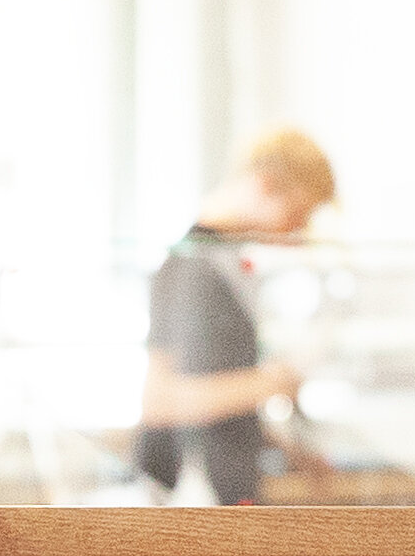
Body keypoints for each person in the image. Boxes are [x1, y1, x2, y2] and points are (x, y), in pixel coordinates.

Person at [134, 127, 335, 505]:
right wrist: (272, 382)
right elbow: (159, 403)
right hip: (192, 500)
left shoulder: (220, 262)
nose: (297, 232)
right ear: (265, 184)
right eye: (296, 214)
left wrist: (290, 450)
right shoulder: (192, 266)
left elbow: (215, 398)